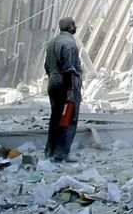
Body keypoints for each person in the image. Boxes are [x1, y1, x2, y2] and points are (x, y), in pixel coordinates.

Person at [44, 16, 82, 162]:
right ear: (70, 27)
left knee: (55, 118)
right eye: (74, 24)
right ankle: (61, 154)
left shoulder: (52, 42)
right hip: (66, 85)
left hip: (52, 83)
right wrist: (70, 92)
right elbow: (69, 69)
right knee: (68, 118)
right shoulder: (70, 44)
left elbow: (47, 66)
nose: (75, 27)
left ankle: (50, 151)